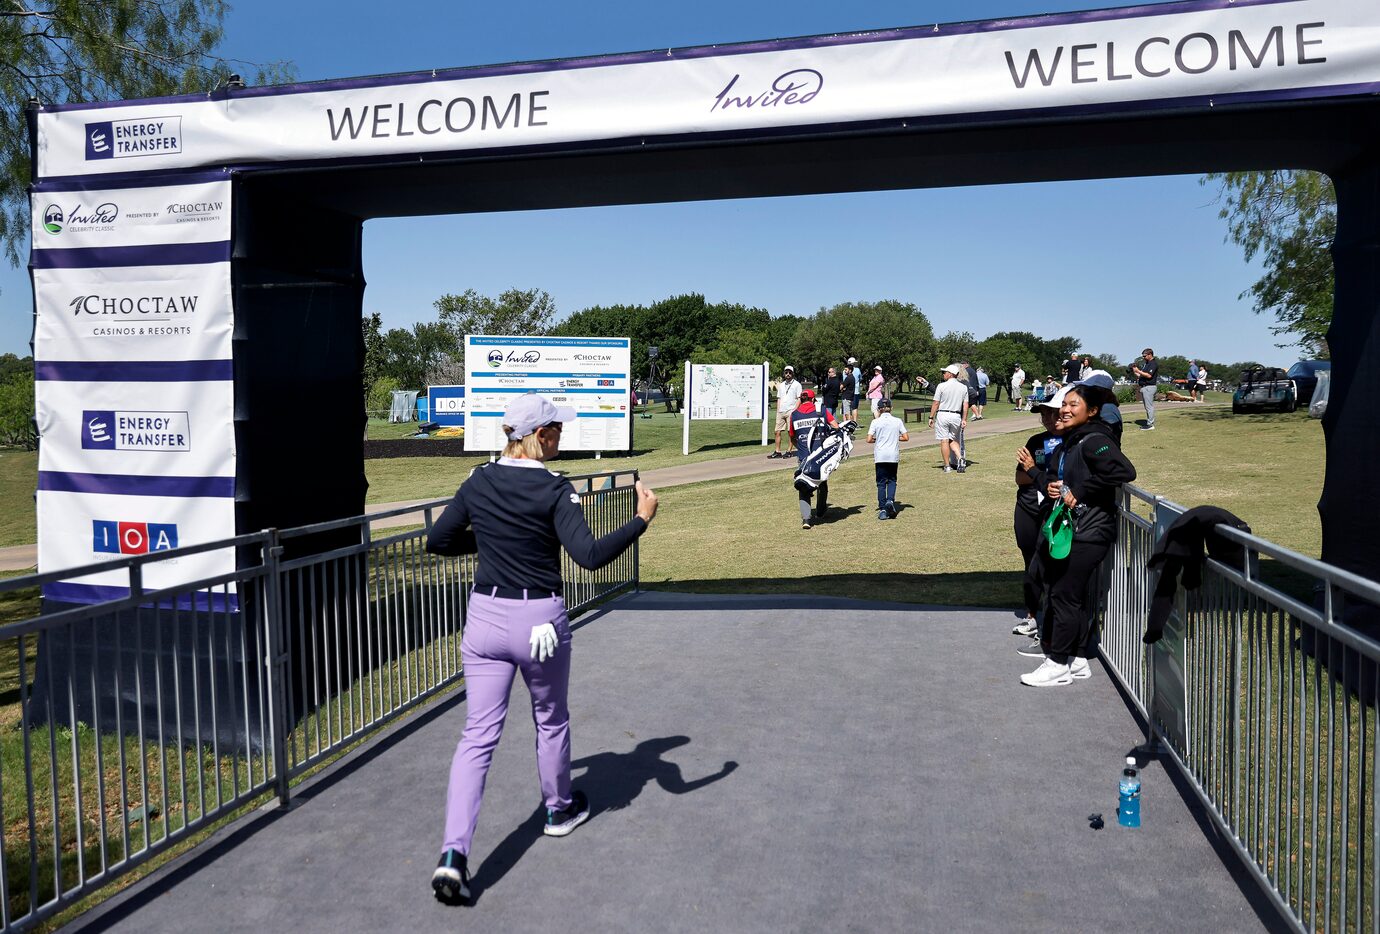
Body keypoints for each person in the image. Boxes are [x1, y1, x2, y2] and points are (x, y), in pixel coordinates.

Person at [426, 393, 659, 903]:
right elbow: (591, 556)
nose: (561, 437)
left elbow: (437, 540)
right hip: (538, 623)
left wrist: (487, 542)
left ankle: (453, 855)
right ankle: (557, 809)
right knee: (550, 719)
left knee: (477, 737)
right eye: (556, 429)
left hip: (485, 619)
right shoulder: (555, 489)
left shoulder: (478, 480)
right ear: (541, 435)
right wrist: (642, 518)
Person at [1020, 384, 1137, 687]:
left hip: (1090, 530)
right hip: (1078, 529)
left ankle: (1058, 663)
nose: (1065, 409)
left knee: (1063, 595)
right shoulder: (1074, 441)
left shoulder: (1094, 439)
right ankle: (1079, 659)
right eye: (1064, 404)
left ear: (1093, 411)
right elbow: (1069, 481)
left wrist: (1080, 491)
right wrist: (1040, 476)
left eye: (1074, 404)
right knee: (1066, 595)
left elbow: (1123, 471)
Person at [1012, 398, 1067, 637]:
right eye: (1043, 415)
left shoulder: (1074, 440)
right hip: (1027, 506)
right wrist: (1038, 472)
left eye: (1050, 414)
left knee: (1053, 561)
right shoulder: (1035, 441)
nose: (1046, 419)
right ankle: (1032, 615)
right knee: (1030, 559)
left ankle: (1055, 618)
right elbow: (1020, 478)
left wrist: (1035, 471)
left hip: (1056, 509)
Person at [790, 388, 837, 528]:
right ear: (813, 399)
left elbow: (792, 437)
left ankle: (806, 519)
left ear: (801, 399)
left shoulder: (794, 415)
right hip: (820, 455)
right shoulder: (821, 411)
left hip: (803, 456)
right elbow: (835, 426)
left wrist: (800, 448)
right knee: (822, 483)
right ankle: (821, 512)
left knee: (803, 486)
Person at [867, 397, 909, 519]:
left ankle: (882, 508)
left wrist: (878, 439)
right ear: (891, 408)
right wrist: (895, 438)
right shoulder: (897, 421)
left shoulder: (875, 422)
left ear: (879, 409)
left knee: (881, 483)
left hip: (880, 455)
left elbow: (869, 439)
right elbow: (906, 437)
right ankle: (890, 501)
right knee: (892, 480)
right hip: (892, 455)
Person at [929, 364, 969, 474]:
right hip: (956, 416)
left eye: (945, 372)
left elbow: (936, 403)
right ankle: (960, 457)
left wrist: (931, 417)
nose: (943, 374)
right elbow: (965, 405)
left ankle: (947, 466)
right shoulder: (963, 387)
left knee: (944, 440)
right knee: (952, 440)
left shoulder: (941, 386)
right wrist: (964, 419)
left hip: (943, 414)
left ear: (950, 374)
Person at [769, 365, 802, 458]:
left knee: (790, 432)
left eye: (790, 372)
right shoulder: (782, 385)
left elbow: (799, 398)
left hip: (791, 410)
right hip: (781, 411)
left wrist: (795, 410)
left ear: (793, 374)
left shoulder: (797, 385)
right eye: (786, 372)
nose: (788, 374)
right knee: (777, 431)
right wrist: (778, 409)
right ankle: (777, 451)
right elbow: (779, 398)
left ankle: (789, 450)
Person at [1130, 347, 1160, 430]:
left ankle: (1150, 425)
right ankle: (1149, 423)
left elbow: (1149, 375)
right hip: (1144, 387)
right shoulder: (1146, 364)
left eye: (1144, 356)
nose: (1143, 358)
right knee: (1147, 407)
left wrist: (1138, 371)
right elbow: (1141, 375)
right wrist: (1134, 370)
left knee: (1149, 407)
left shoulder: (1153, 363)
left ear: (1150, 355)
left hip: (1149, 387)